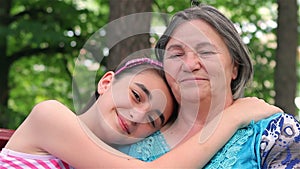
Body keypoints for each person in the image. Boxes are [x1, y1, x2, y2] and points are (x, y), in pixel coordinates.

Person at [0, 56, 281, 168]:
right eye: (136, 95)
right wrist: (233, 117)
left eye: (153, 120)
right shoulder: (50, 116)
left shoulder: (105, 160)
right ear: (106, 82)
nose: (137, 115)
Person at [119, 4, 300, 168]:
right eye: (176, 54)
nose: (190, 65)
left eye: (206, 52)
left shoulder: (277, 132)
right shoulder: (133, 135)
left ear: (235, 67)